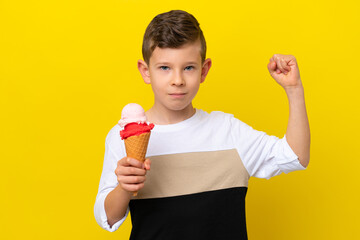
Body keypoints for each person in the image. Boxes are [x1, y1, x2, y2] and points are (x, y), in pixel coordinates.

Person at [94, 9, 310, 240]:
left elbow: (295, 156)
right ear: (146, 71)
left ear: (204, 70)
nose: (177, 80)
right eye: (165, 68)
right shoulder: (122, 135)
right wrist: (124, 187)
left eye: (188, 67)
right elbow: (107, 217)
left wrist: (294, 89)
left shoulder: (228, 130)